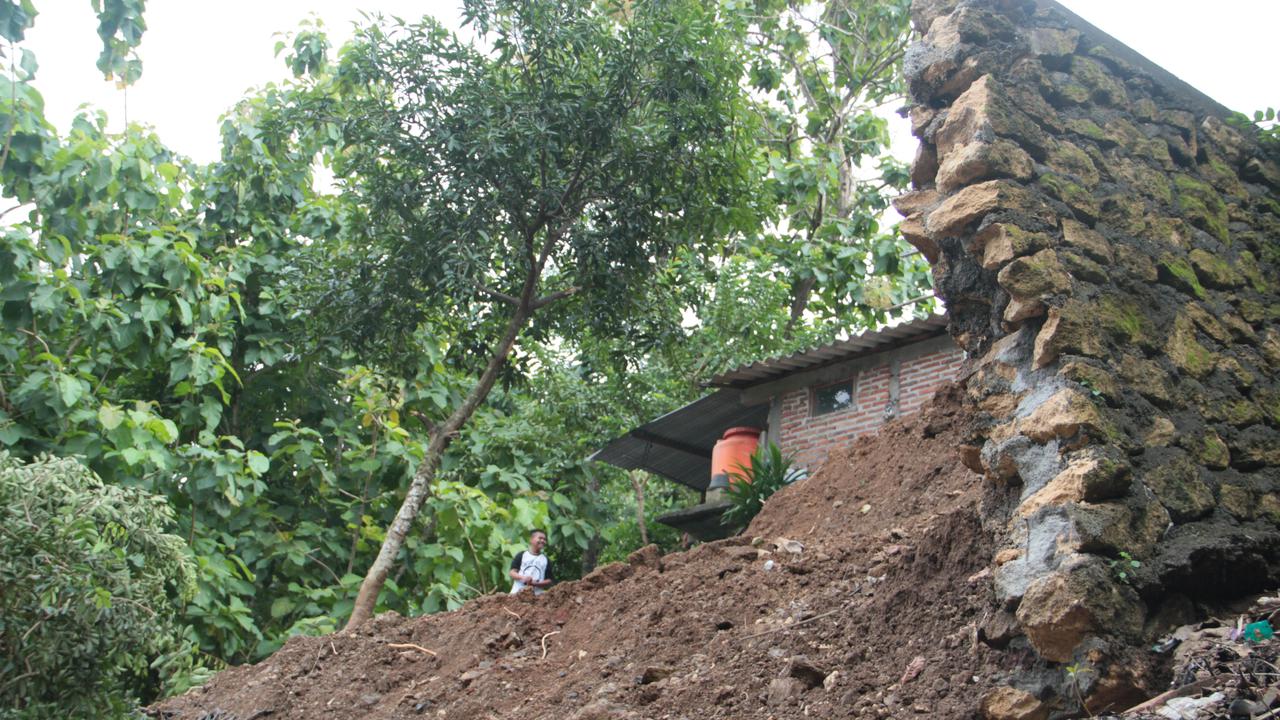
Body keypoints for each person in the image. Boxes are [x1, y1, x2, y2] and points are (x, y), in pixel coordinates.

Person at [509, 528, 553, 595]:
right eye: (540, 538)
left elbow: (549, 580)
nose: (543, 541)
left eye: (544, 539)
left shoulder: (546, 560)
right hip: (516, 594)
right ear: (531, 540)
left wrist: (536, 583)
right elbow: (512, 572)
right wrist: (523, 578)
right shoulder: (521, 555)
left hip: (537, 597)